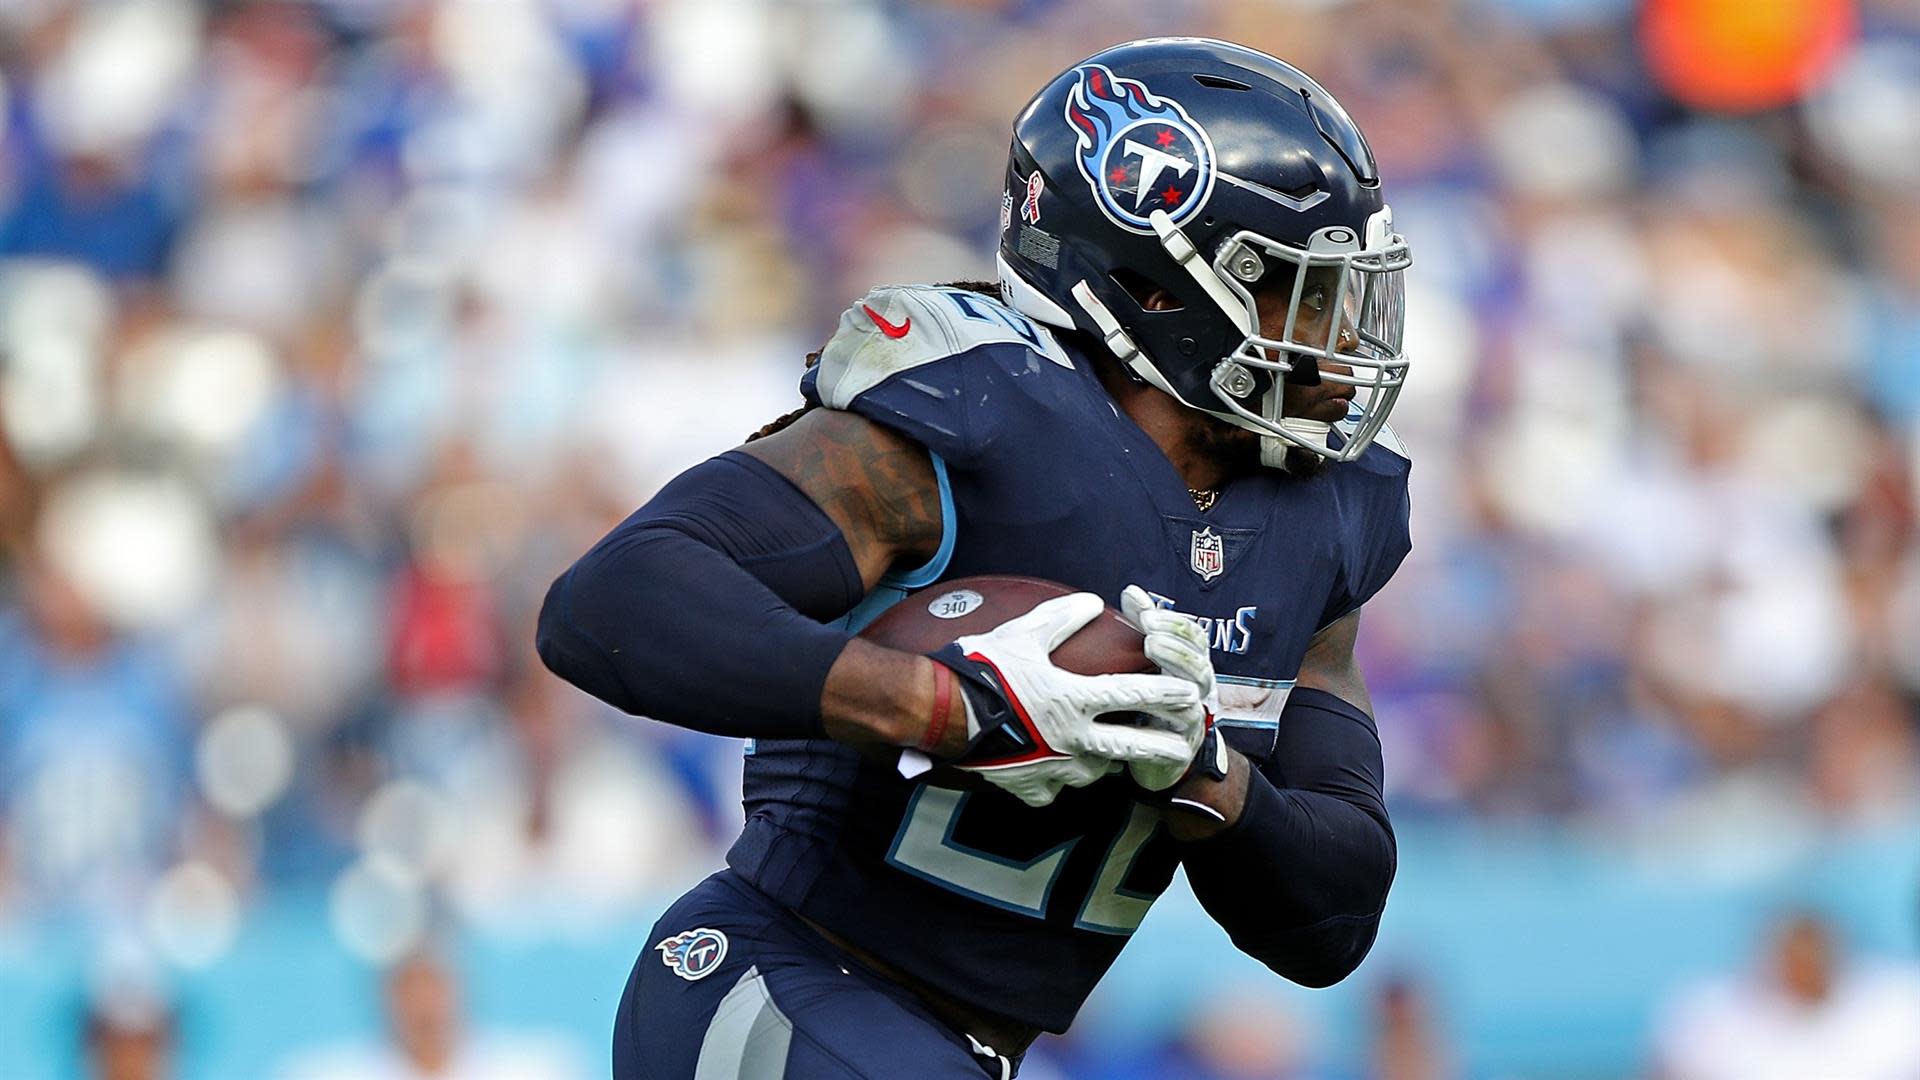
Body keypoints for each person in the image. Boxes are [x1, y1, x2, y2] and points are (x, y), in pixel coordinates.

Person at [537, 37, 1412, 1080]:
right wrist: (942, 703)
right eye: (1299, 293)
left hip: (963, 1047)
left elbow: (1332, 918)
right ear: (1158, 291)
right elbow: (610, 604)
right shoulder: (984, 415)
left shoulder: (1322, 518)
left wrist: (1207, 775)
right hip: (786, 979)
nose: (1343, 336)